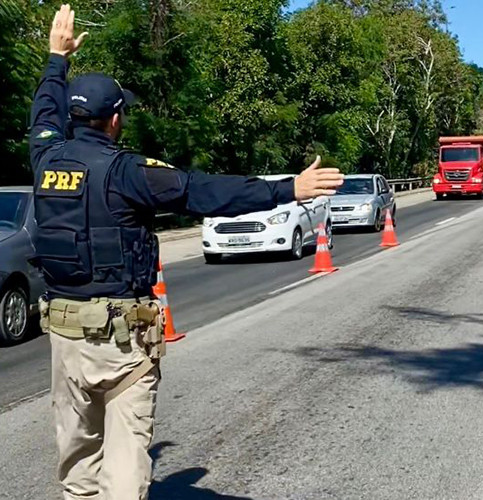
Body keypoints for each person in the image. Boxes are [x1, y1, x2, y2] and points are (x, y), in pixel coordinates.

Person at [30, 6, 344, 500]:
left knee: (77, 461)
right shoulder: (128, 172)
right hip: (122, 342)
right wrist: (289, 189)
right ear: (115, 119)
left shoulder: (46, 158)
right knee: (126, 465)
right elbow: (206, 193)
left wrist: (55, 61)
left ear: (74, 117)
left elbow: (43, 114)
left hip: (65, 339)